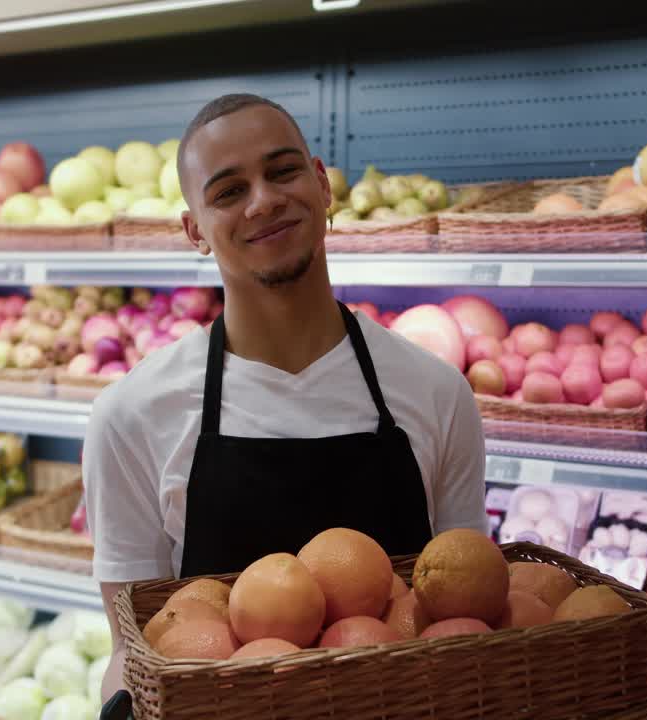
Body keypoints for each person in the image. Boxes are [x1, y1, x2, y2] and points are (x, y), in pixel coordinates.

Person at [82, 93, 487, 705]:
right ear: (195, 230)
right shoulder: (131, 417)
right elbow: (133, 650)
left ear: (323, 185)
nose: (264, 200)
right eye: (227, 191)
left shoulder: (437, 393)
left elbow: (469, 605)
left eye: (282, 171)